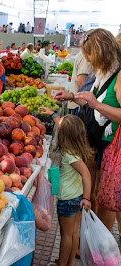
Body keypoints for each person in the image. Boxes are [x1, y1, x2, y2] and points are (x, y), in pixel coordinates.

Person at [54, 29, 121, 231]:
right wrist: (72, 97)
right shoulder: (103, 72)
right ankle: (90, 240)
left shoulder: (119, 77)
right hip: (96, 142)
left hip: (111, 147)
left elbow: (101, 106)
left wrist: (97, 105)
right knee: (96, 195)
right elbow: (92, 100)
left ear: (101, 52)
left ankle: (102, 248)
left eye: (90, 54)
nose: (88, 60)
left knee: (105, 201)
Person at [39, 112, 92, 266]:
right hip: (77, 196)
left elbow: (86, 175)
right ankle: (69, 263)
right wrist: (54, 115)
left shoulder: (69, 155)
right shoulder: (78, 149)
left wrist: (87, 199)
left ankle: (61, 264)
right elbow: (65, 127)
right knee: (74, 233)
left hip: (68, 199)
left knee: (66, 235)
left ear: (64, 136)